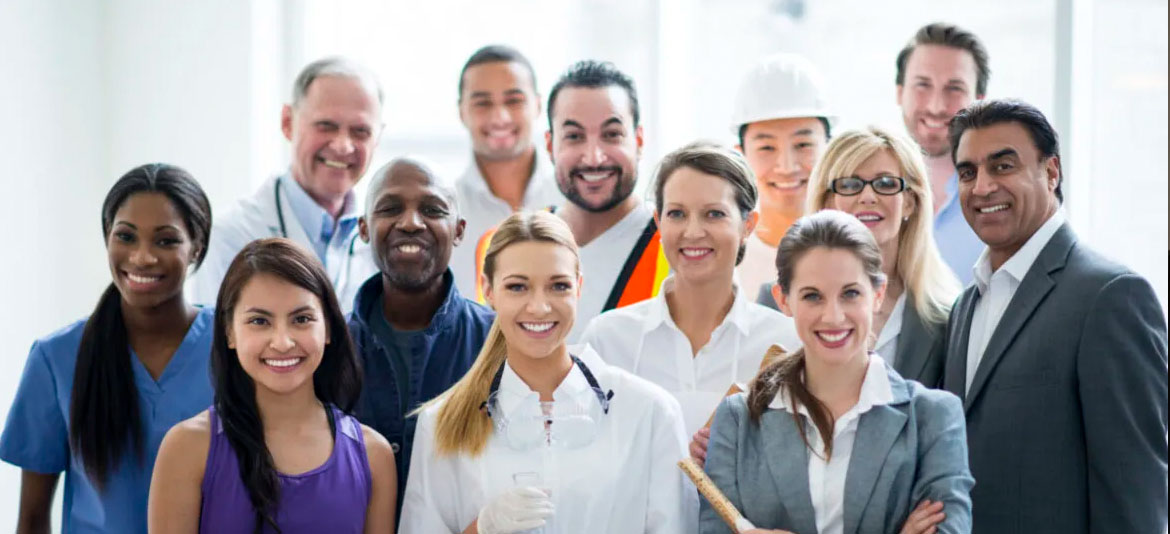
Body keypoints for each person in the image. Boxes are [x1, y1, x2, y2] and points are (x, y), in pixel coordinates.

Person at [942, 99, 1168, 533]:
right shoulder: (964, 305)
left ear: (1051, 172)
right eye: (968, 172)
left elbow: (1133, 489)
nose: (982, 187)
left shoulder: (1110, 296)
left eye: (1003, 166)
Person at [400, 211, 697, 534]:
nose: (539, 307)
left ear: (579, 287)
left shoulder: (650, 413)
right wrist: (480, 529)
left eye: (558, 286)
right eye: (517, 287)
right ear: (488, 290)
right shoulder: (441, 425)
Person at [701, 210, 973, 534]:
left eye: (850, 293)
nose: (833, 316)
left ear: (878, 294)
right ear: (783, 300)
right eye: (812, 296)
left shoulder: (934, 416)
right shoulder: (738, 419)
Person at [0, 164, 214, 534]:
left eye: (165, 240)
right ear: (107, 239)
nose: (142, 257)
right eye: (126, 237)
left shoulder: (234, 348)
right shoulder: (56, 358)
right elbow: (33, 520)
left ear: (197, 247)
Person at [148, 238, 397, 533]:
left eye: (301, 319)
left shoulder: (373, 456)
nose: (282, 342)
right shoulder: (187, 449)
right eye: (259, 321)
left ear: (328, 327)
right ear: (230, 332)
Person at [581, 142, 800, 439]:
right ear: (658, 223)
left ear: (747, 225)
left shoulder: (786, 344)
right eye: (677, 214)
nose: (693, 232)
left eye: (714, 214)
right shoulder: (607, 339)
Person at [472, 60, 668, 341]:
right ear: (551, 145)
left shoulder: (675, 246)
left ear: (638, 141)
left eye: (611, 135)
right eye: (574, 136)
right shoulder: (501, 245)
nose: (594, 157)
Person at [349, 157, 495, 518]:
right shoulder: (326, 344)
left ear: (459, 231)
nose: (411, 223)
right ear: (364, 228)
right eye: (390, 208)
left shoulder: (499, 341)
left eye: (431, 209)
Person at [191, 57, 383, 313]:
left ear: (377, 137)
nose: (343, 146)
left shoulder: (381, 241)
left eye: (360, 131)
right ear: (287, 122)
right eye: (326, 126)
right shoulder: (229, 236)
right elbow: (219, 347)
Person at [806, 126, 959, 387]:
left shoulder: (948, 319)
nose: (868, 196)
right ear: (827, 202)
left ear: (909, 202)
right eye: (850, 184)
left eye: (886, 183)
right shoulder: (779, 305)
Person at [451, 45, 561, 297]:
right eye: (483, 103)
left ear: (537, 105)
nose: (500, 117)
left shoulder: (573, 201)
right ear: (461, 111)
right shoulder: (443, 214)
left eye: (514, 101)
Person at [729, 53, 835, 307]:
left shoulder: (863, 250)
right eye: (767, 148)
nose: (787, 166)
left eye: (803, 144)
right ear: (741, 155)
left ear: (830, 148)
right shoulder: (725, 263)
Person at [895, 22, 990, 285]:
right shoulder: (865, 195)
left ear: (979, 101)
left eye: (955, 88)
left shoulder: (1006, 206)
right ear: (900, 93)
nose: (937, 106)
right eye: (922, 85)